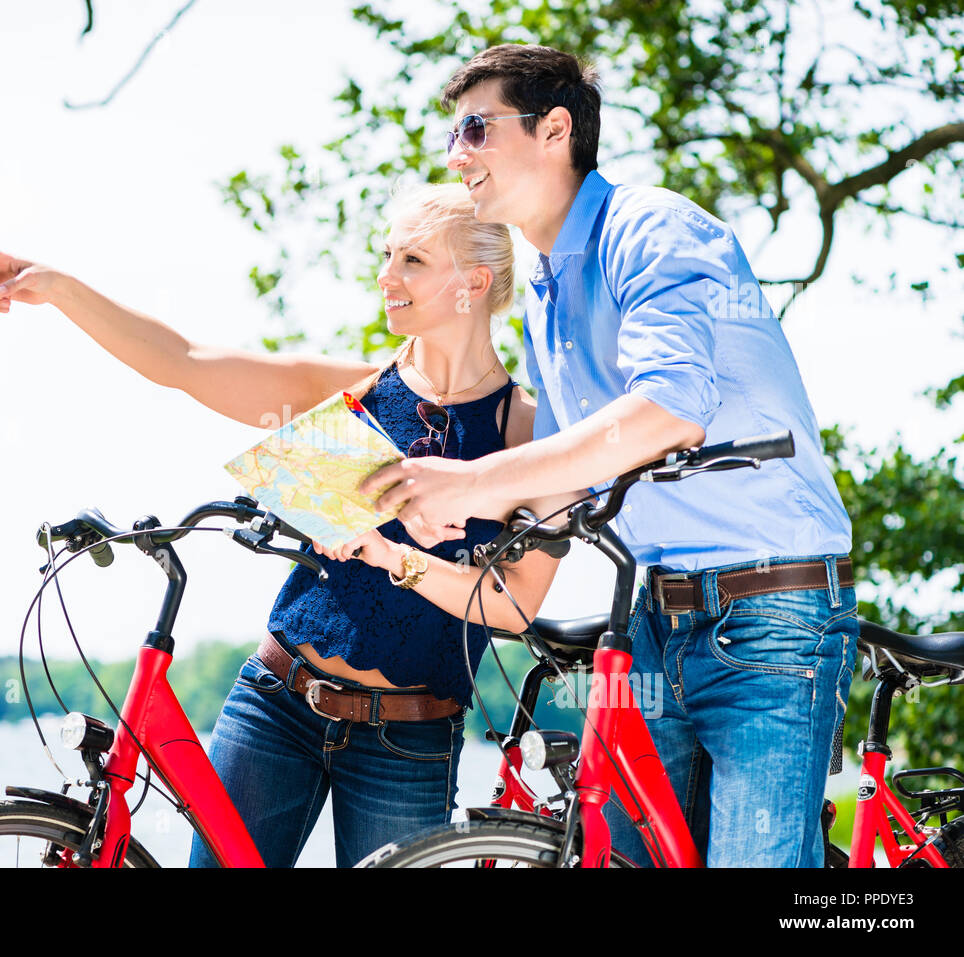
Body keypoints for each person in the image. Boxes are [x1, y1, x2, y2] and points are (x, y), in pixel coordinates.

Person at [0, 183, 576, 867]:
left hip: (410, 739)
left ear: (474, 281)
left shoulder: (526, 433)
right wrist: (57, 286)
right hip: (276, 705)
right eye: (387, 255)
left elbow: (514, 605)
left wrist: (386, 553)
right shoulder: (356, 392)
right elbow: (184, 363)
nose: (386, 276)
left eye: (413, 261)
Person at [362, 45, 857, 867]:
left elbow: (670, 407)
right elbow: (565, 481)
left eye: (477, 128)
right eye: (454, 132)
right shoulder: (550, 289)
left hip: (770, 611)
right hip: (651, 618)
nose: (457, 154)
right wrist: (400, 518)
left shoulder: (652, 229)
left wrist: (476, 480)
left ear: (555, 130)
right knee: (619, 854)